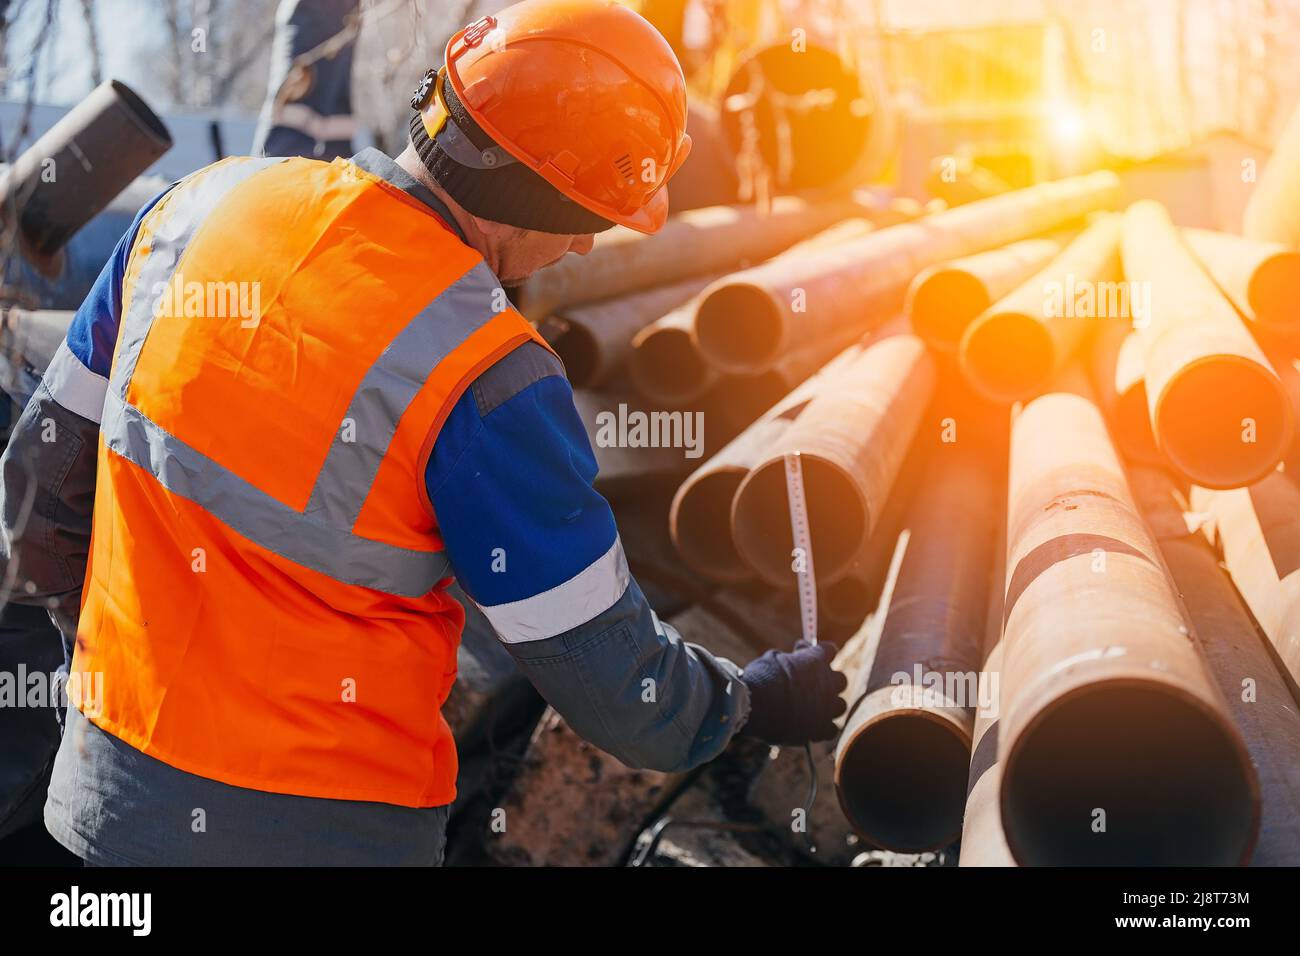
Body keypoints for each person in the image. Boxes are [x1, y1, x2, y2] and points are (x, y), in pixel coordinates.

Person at [0, 0, 845, 866]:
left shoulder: (192, 209)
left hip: (98, 811)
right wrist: (743, 703)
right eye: (589, 214)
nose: (589, 248)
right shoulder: (488, 369)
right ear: (533, 192)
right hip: (326, 837)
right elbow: (611, 681)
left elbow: (36, 495)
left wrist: (105, 684)